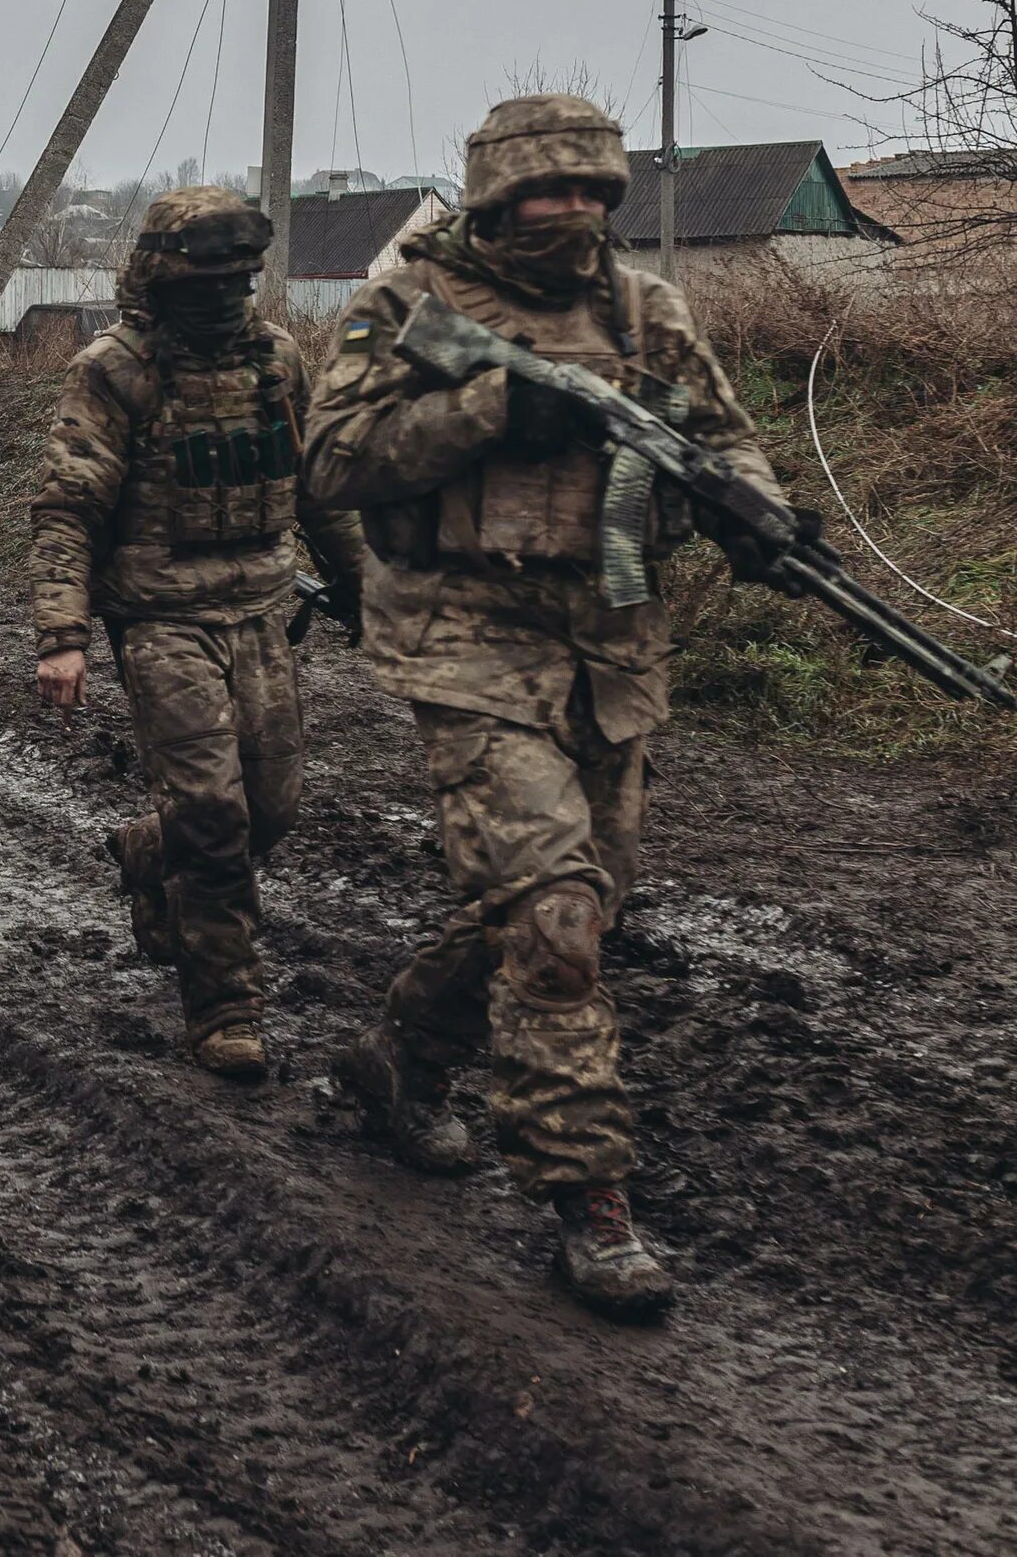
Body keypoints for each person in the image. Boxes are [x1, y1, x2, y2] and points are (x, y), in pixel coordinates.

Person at [303, 93, 785, 1318]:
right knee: (555, 919)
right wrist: (486, 411)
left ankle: (402, 1060)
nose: (571, 213)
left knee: (573, 900)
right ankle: (590, 1201)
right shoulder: (409, 309)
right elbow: (331, 464)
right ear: (494, 198)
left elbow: (727, 440)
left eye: (592, 192)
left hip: (610, 646)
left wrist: (753, 509)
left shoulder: (645, 312)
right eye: (546, 192)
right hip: (462, 639)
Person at [32, 186, 370, 1082]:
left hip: (261, 606)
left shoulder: (279, 362)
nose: (222, 292)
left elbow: (319, 488)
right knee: (216, 819)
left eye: (237, 276)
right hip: (160, 616)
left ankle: (150, 849)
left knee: (272, 810)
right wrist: (61, 634)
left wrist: (363, 584)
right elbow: (68, 508)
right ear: (160, 274)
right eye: (203, 275)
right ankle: (225, 1009)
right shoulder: (116, 370)